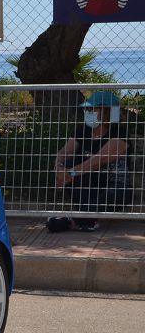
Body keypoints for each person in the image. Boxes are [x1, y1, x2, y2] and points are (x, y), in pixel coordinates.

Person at [47, 90, 132, 232]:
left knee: (113, 193)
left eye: (93, 109)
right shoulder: (83, 130)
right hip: (88, 182)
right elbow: (64, 152)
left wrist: (71, 173)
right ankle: (85, 220)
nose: (88, 112)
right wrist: (59, 168)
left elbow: (99, 159)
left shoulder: (120, 132)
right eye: (88, 108)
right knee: (69, 164)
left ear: (107, 112)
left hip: (113, 185)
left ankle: (75, 220)